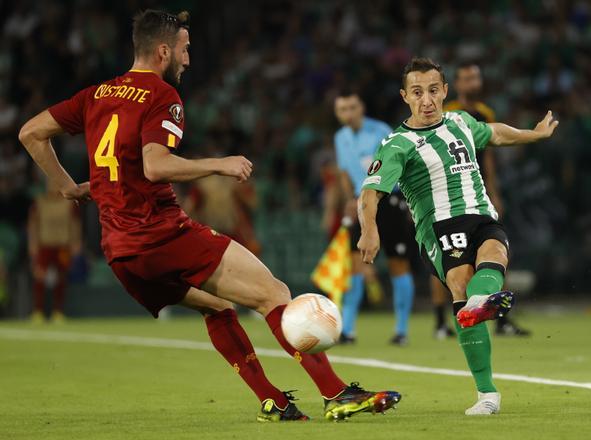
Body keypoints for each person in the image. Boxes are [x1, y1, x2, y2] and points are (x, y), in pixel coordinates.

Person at [18, 9, 400, 422]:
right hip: (161, 234)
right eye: (184, 50)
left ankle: (273, 401)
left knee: (217, 308)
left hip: (121, 252)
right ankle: (336, 392)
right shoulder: (162, 96)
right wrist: (221, 163)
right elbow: (155, 165)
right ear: (163, 51)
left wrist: (66, 186)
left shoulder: (95, 95)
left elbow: (30, 133)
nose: (188, 59)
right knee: (274, 293)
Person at [358, 57, 558, 415]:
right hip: (440, 226)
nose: (427, 100)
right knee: (460, 282)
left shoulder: (462, 121)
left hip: (481, 214)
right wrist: (369, 230)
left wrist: (535, 134)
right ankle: (486, 392)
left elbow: (494, 133)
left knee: (495, 253)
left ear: (445, 91)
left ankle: (479, 309)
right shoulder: (397, 144)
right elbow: (370, 193)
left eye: (434, 90)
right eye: (418, 93)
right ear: (406, 96)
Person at [441, 62, 531, 337]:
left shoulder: (484, 113)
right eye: (467, 77)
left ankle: (499, 318)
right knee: (450, 261)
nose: (473, 82)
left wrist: (495, 191)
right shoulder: (448, 114)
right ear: (456, 84)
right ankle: (440, 321)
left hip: (479, 194)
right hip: (451, 196)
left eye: (476, 77)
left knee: (497, 250)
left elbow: (488, 153)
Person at [333, 90, 416, 346]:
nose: (348, 113)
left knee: (397, 264)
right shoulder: (340, 138)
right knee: (355, 267)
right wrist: (349, 198)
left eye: (352, 107)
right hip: (361, 203)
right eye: (342, 109)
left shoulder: (381, 131)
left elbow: (403, 165)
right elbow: (344, 172)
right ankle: (347, 330)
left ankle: (401, 329)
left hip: (389, 201)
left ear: (361, 108)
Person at [27, 179, 82, 323]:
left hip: (62, 245)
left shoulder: (69, 203)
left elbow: (75, 224)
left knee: (61, 278)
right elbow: (32, 224)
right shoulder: (39, 202)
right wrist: (33, 244)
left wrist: (76, 243)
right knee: (40, 277)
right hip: (44, 244)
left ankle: (58, 312)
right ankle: (38, 311)